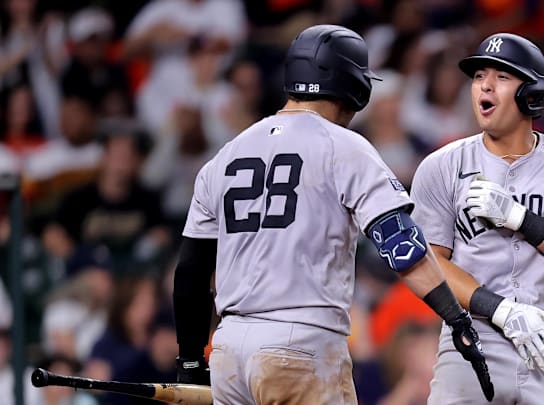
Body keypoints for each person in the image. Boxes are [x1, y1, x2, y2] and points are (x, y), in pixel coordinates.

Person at [172, 24, 493, 405]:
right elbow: (403, 248)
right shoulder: (344, 146)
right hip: (301, 345)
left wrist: (191, 361)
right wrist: (456, 317)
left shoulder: (225, 156)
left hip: (229, 350)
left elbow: (191, 270)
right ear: (352, 85)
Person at [409, 32, 544, 404]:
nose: (485, 86)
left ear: (532, 94)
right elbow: (427, 264)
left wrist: (522, 219)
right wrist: (500, 310)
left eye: (502, 77)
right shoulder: (441, 166)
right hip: (470, 339)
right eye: (479, 76)